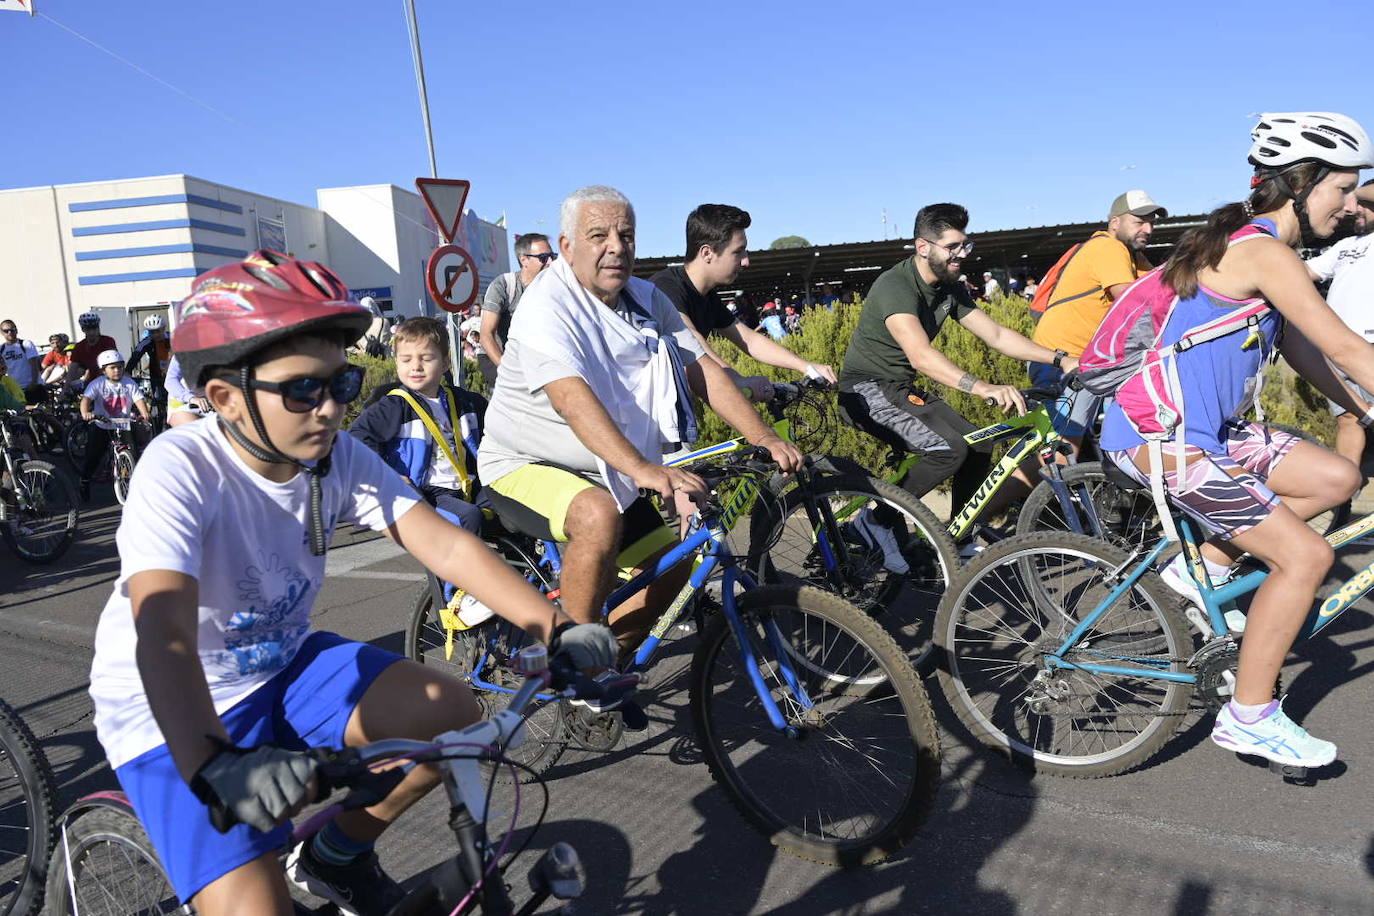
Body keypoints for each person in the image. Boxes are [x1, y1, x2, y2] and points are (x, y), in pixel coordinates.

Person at [85, 249, 615, 916]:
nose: (332, 408)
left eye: (342, 383)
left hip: (281, 664)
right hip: (174, 709)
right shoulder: (182, 468)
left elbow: (445, 542)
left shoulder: (336, 458)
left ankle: (335, 855)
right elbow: (161, 630)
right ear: (225, 397)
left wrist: (556, 626)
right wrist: (213, 764)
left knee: (451, 716)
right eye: (305, 389)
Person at [1098, 112, 1374, 770]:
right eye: (1343, 187)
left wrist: (1360, 408)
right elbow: (1343, 343)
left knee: (1337, 479)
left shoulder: (1267, 254)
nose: (1353, 202)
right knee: (1304, 559)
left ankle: (1206, 567)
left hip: (1218, 435)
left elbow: (1309, 352)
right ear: (1300, 185)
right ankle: (1249, 716)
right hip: (1161, 440)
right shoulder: (1261, 250)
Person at [478, 186, 802, 659]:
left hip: (604, 467)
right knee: (597, 513)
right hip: (525, 464)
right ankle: (574, 661)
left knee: (676, 571)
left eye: (626, 234)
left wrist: (764, 437)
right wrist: (642, 468)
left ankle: (608, 660)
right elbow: (572, 398)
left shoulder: (649, 299)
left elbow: (702, 371)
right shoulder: (546, 305)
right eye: (598, 235)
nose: (616, 246)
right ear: (566, 248)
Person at [837, 203, 1077, 526]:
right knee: (948, 450)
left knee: (979, 444)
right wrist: (982, 388)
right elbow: (920, 356)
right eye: (952, 246)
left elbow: (996, 334)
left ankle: (958, 537)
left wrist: (1060, 359)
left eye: (965, 245)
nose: (962, 253)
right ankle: (874, 523)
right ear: (923, 247)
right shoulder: (896, 286)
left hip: (898, 388)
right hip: (866, 390)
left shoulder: (949, 287)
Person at [650, 204, 835, 403]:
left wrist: (806, 366)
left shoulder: (707, 296)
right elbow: (691, 341)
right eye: (739, 252)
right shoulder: (665, 287)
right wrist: (736, 380)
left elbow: (749, 340)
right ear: (706, 253)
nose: (746, 261)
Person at [1030, 189, 1167, 451]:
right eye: (1139, 221)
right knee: (1065, 449)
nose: (1148, 229)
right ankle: (1052, 490)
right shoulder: (1108, 247)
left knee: (1080, 450)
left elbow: (1162, 291)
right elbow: (1133, 304)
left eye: (1152, 222)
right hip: (1066, 362)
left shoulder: (1132, 255)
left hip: (1082, 362)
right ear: (1115, 222)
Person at [1306, 179, 1374, 469]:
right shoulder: (1346, 245)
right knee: (1349, 417)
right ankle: (1345, 491)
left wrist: (1342, 191)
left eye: (1363, 204)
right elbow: (1305, 272)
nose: (1353, 209)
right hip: (1334, 348)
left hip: (1368, 347)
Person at [479, 232, 556, 386]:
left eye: (552, 256)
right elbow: (486, 334)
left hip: (532, 362)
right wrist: (506, 370)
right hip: (497, 357)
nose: (549, 262)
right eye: (543, 258)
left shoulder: (553, 288)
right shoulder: (504, 285)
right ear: (524, 260)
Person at [78, 349, 152, 500]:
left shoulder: (129, 383)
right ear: (103, 370)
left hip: (123, 424)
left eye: (119, 366)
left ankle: (128, 477)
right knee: (93, 455)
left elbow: (139, 400)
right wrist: (86, 413)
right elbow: (85, 400)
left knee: (132, 452)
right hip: (102, 424)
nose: (117, 370)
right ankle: (84, 481)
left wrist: (144, 413)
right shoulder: (97, 384)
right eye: (112, 367)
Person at [127, 314, 172, 418]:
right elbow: (135, 356)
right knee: (159, 403)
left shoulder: (173, 338)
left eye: (158, 331)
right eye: (152, 332)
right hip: (157, 377)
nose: (155, 334)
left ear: (164, 328)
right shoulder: (147, 342)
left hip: (173, 375)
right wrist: (127, 371)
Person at [0, 320, 43, 402]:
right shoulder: (1, 349)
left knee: (39, 412)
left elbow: (34, 365)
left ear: (16, 330)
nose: (10, 333)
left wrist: (33, 383)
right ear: (2, 332)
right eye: (6, 331)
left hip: (31, 387)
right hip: (15, 389)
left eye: (12, 330)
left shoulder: (26, 344)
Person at [71, 312, 118, 385]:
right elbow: (72, 370)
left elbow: (113, 362)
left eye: (94, 328)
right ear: (83, 329)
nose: (92, 332)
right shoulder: (79, 347)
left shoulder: (108, 341)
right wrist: (66, 390)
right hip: (90, 383)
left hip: (109, 380)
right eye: (88, 329)